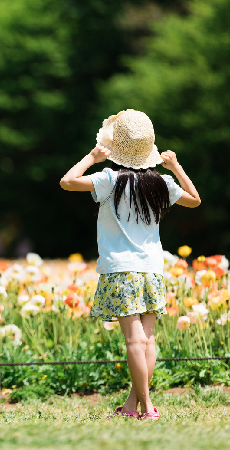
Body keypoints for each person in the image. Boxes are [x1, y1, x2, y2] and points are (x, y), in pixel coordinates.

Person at [59, 109, 201, 420]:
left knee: (134, 340)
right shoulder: (160, 183)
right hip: (151, 268)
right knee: (147, 339)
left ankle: (147, 408)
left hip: (120, 269)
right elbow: (194, 199)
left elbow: (68, 182)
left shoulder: (110, 179)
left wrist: (92, 157)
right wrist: (175, 166)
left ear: (116, 148)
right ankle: (132, 406)